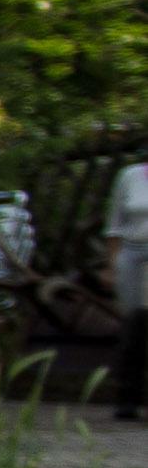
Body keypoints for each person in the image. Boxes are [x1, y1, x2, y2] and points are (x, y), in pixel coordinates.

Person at [109, 150, 146, 423]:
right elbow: (114, 226)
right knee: (134, 321)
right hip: (132, 253)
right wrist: (113, 265)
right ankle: (127, 397)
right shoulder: (130, 176)